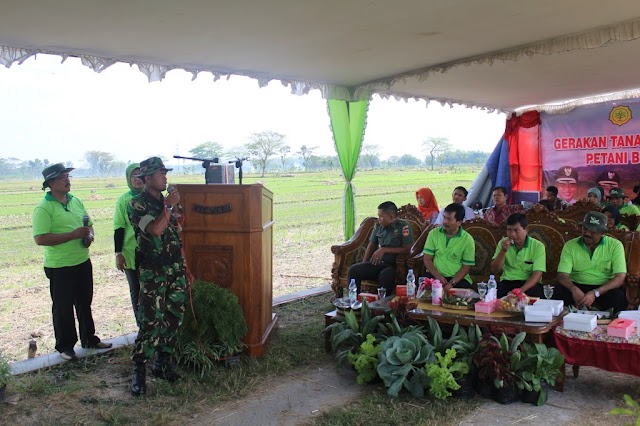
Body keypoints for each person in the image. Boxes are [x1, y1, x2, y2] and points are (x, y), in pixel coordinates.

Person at [32, 163, 111, 362]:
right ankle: (66, 347)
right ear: (50, 183)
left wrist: (89, 237)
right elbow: (40, 238)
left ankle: (89, 339)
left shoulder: (75, 201)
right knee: (63, 307)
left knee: (85, 302)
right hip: (60, 266)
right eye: (62, 178)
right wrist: (72, 235)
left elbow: (90, 225)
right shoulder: (44, 207)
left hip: (82, 261)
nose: (67, 181)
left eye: (68, 177)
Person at [127, 157, 187, 396]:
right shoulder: (136, 204)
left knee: (174, 317)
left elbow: (177, 227)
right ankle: (139, 370)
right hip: (154, 270)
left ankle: (163, 364)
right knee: (151, 320)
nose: (165, 177)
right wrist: (169, 207)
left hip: (175, 268)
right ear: (147, 179)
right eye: (160, 174)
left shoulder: (165, 201)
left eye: (165, 173)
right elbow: (154, 230)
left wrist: (175, 210)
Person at [556, 211, 627, 312]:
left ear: (603, 232)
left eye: (593, 231)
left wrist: (595, 293)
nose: (587, 233)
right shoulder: (570, 245)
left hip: (603, 288)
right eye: (585, 229)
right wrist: (573, 289)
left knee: (618, 297)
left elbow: (620, 277)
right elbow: (562, 275)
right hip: (576, 285)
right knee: (558, 292)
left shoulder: (615, 246)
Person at [348, 201, 413, 293]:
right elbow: (371, 245)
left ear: (391, 217)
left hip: (395, 265)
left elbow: (407, 249)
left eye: (381, 216)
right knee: (354, 270)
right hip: (379, 263)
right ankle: (354, 302)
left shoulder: (404, 227)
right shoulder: (378, 226)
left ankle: (382, 304)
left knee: (385, 275)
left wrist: (384, 249)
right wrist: (364, 264)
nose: (379, 219)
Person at [113, 163, 144, 326]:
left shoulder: (153, 196)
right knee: (136, 290)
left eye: (140, 175)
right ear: (128, 178)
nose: (138, 179)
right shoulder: (124, 200)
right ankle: (141, 326)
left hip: (151, 252)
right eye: (134, 175)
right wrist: (118, 253)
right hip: (131, 252)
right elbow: (118, 228)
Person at [490, 213, 545, 298]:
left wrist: (519, 291)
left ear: (526, 229)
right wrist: (503, 251)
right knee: (493, 296)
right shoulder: (503, 243)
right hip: (508, 281)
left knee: (536, 293)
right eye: (509, 230)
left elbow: (537, 274)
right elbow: (494, 270)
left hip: (528, 284)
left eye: (516, 230)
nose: (512, 234)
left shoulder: (538, 246)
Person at [423, 203, 475, 292]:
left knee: (461, 298)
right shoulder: (433, 234)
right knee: (422, 292)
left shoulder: (468, 240)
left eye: (449, 219)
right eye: (444, 217)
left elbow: (466, 267)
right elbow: (427, 259)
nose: (445, 222)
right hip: (435, 276)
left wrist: (451, 283)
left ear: (459, 222)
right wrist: (438, 277)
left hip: (457, 280)